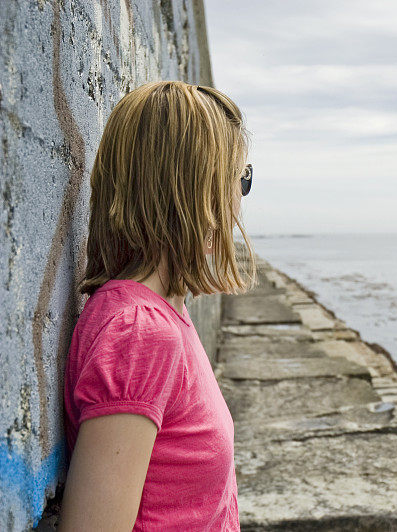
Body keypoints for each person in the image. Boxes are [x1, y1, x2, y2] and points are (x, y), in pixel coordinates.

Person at [59, 80, 258, 531]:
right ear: (195, 188)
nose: (238, 199)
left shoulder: (164, 312)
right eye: (239, 177)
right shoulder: (140, 332)